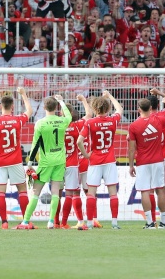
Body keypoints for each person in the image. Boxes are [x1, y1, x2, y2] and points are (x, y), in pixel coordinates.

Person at [0, 88, 32, 230]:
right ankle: (26, 222)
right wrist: (24, 95)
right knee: (22, 190)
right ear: (12, 107)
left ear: (1, 106)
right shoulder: (17, 120)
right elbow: (29, 111)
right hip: (15, 161)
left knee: (0, 192)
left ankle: (4, 222)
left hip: (0, 161)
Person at [16, 94, 72, 229]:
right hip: (60, 161)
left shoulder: (40, 123)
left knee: (35, 192)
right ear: (56, 107)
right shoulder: (62, 121)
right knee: (55, 191)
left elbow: (35, 145)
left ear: (44, 107)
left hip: (46, 162)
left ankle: (25, 221)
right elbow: (69, 117)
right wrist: (62, 101)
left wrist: (29, 163)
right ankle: (51, 221)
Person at [128, 96, 165, 229]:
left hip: (143, 162)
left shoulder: (133, 126)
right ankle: (163, 222)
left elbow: (132, 149)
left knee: (145, 191)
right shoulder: (158, 119)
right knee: (161, 190)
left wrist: (131, 165)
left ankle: (149, 222)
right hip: (158, 161)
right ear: (150, 108)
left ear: (138, 109)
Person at [77, 91, 124, 229]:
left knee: (91, 193)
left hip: (95, 161)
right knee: (113, 193)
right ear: (108, 108)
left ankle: (90, 223)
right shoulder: (113, 120)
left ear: (94, 108)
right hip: (109, 160)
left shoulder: (90, 123)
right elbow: (120, 109)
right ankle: (114, 223)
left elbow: (79, 141)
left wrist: (86, 155)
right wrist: (109, 96)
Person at [59, 95, 92, 230]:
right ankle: (77, 221)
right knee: (73, 193)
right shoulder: (78, 126)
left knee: (57, 193)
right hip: (73, 162)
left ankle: (56, 222)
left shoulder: (57, 126)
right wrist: (84, 100)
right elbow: (89, 114)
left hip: (58, 163)